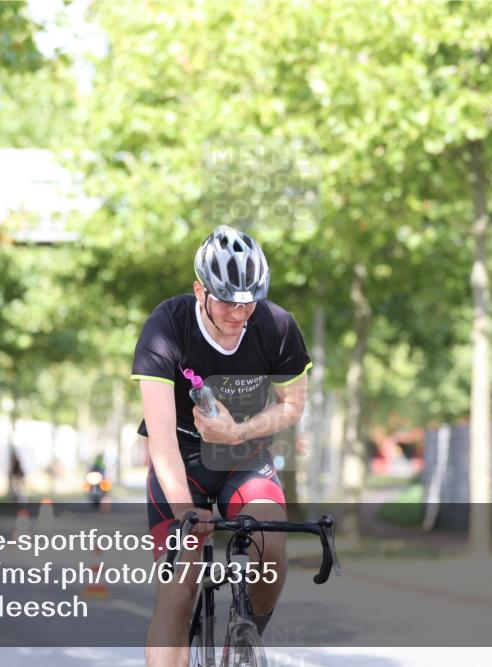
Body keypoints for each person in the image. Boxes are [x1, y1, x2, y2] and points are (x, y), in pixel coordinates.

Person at [131, 225, 311, 667]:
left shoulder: (276, 326)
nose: (239, 312)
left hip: (243, 457)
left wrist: (238, 433)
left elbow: (292, 405)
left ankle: (243, 643)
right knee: (180, 587)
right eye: (228, 300)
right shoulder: (166, 327)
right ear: (200, 290)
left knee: (271, 542)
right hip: (181, 461)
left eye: (250, 300)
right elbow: (161, 437)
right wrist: (184, 511)